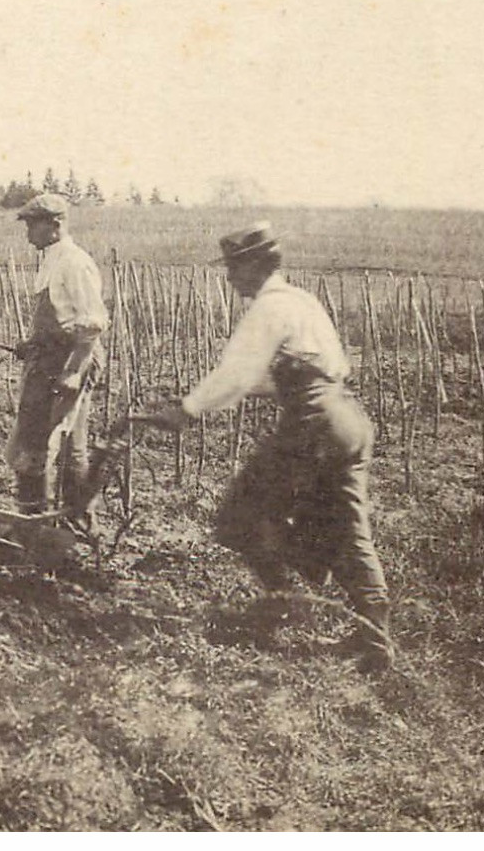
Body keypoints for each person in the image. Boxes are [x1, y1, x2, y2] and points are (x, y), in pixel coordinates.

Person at [138, 222, 395, 672]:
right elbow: (306, 372)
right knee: (349, 529)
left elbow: (237, 375)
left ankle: (286, 606)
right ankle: (374, 642)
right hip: (347, 422)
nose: (230, 278)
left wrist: (187, 410)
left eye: (235, 268)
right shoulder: (303, 302)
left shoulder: (269, 309)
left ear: (256, 265)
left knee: (239, 518)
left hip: (313, 427)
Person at [6, 193, 110, 513]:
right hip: (50, 358)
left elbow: (93, 321)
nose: (28, 234)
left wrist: (75, 370)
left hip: (70, 360)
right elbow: (59, 317)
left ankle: (73, 521)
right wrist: (33, 343)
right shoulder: (52, 258)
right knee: (37, 438)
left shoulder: (74, 262)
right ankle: (36, 518)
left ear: (56, 225)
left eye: (32, 226)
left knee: (64, 443)